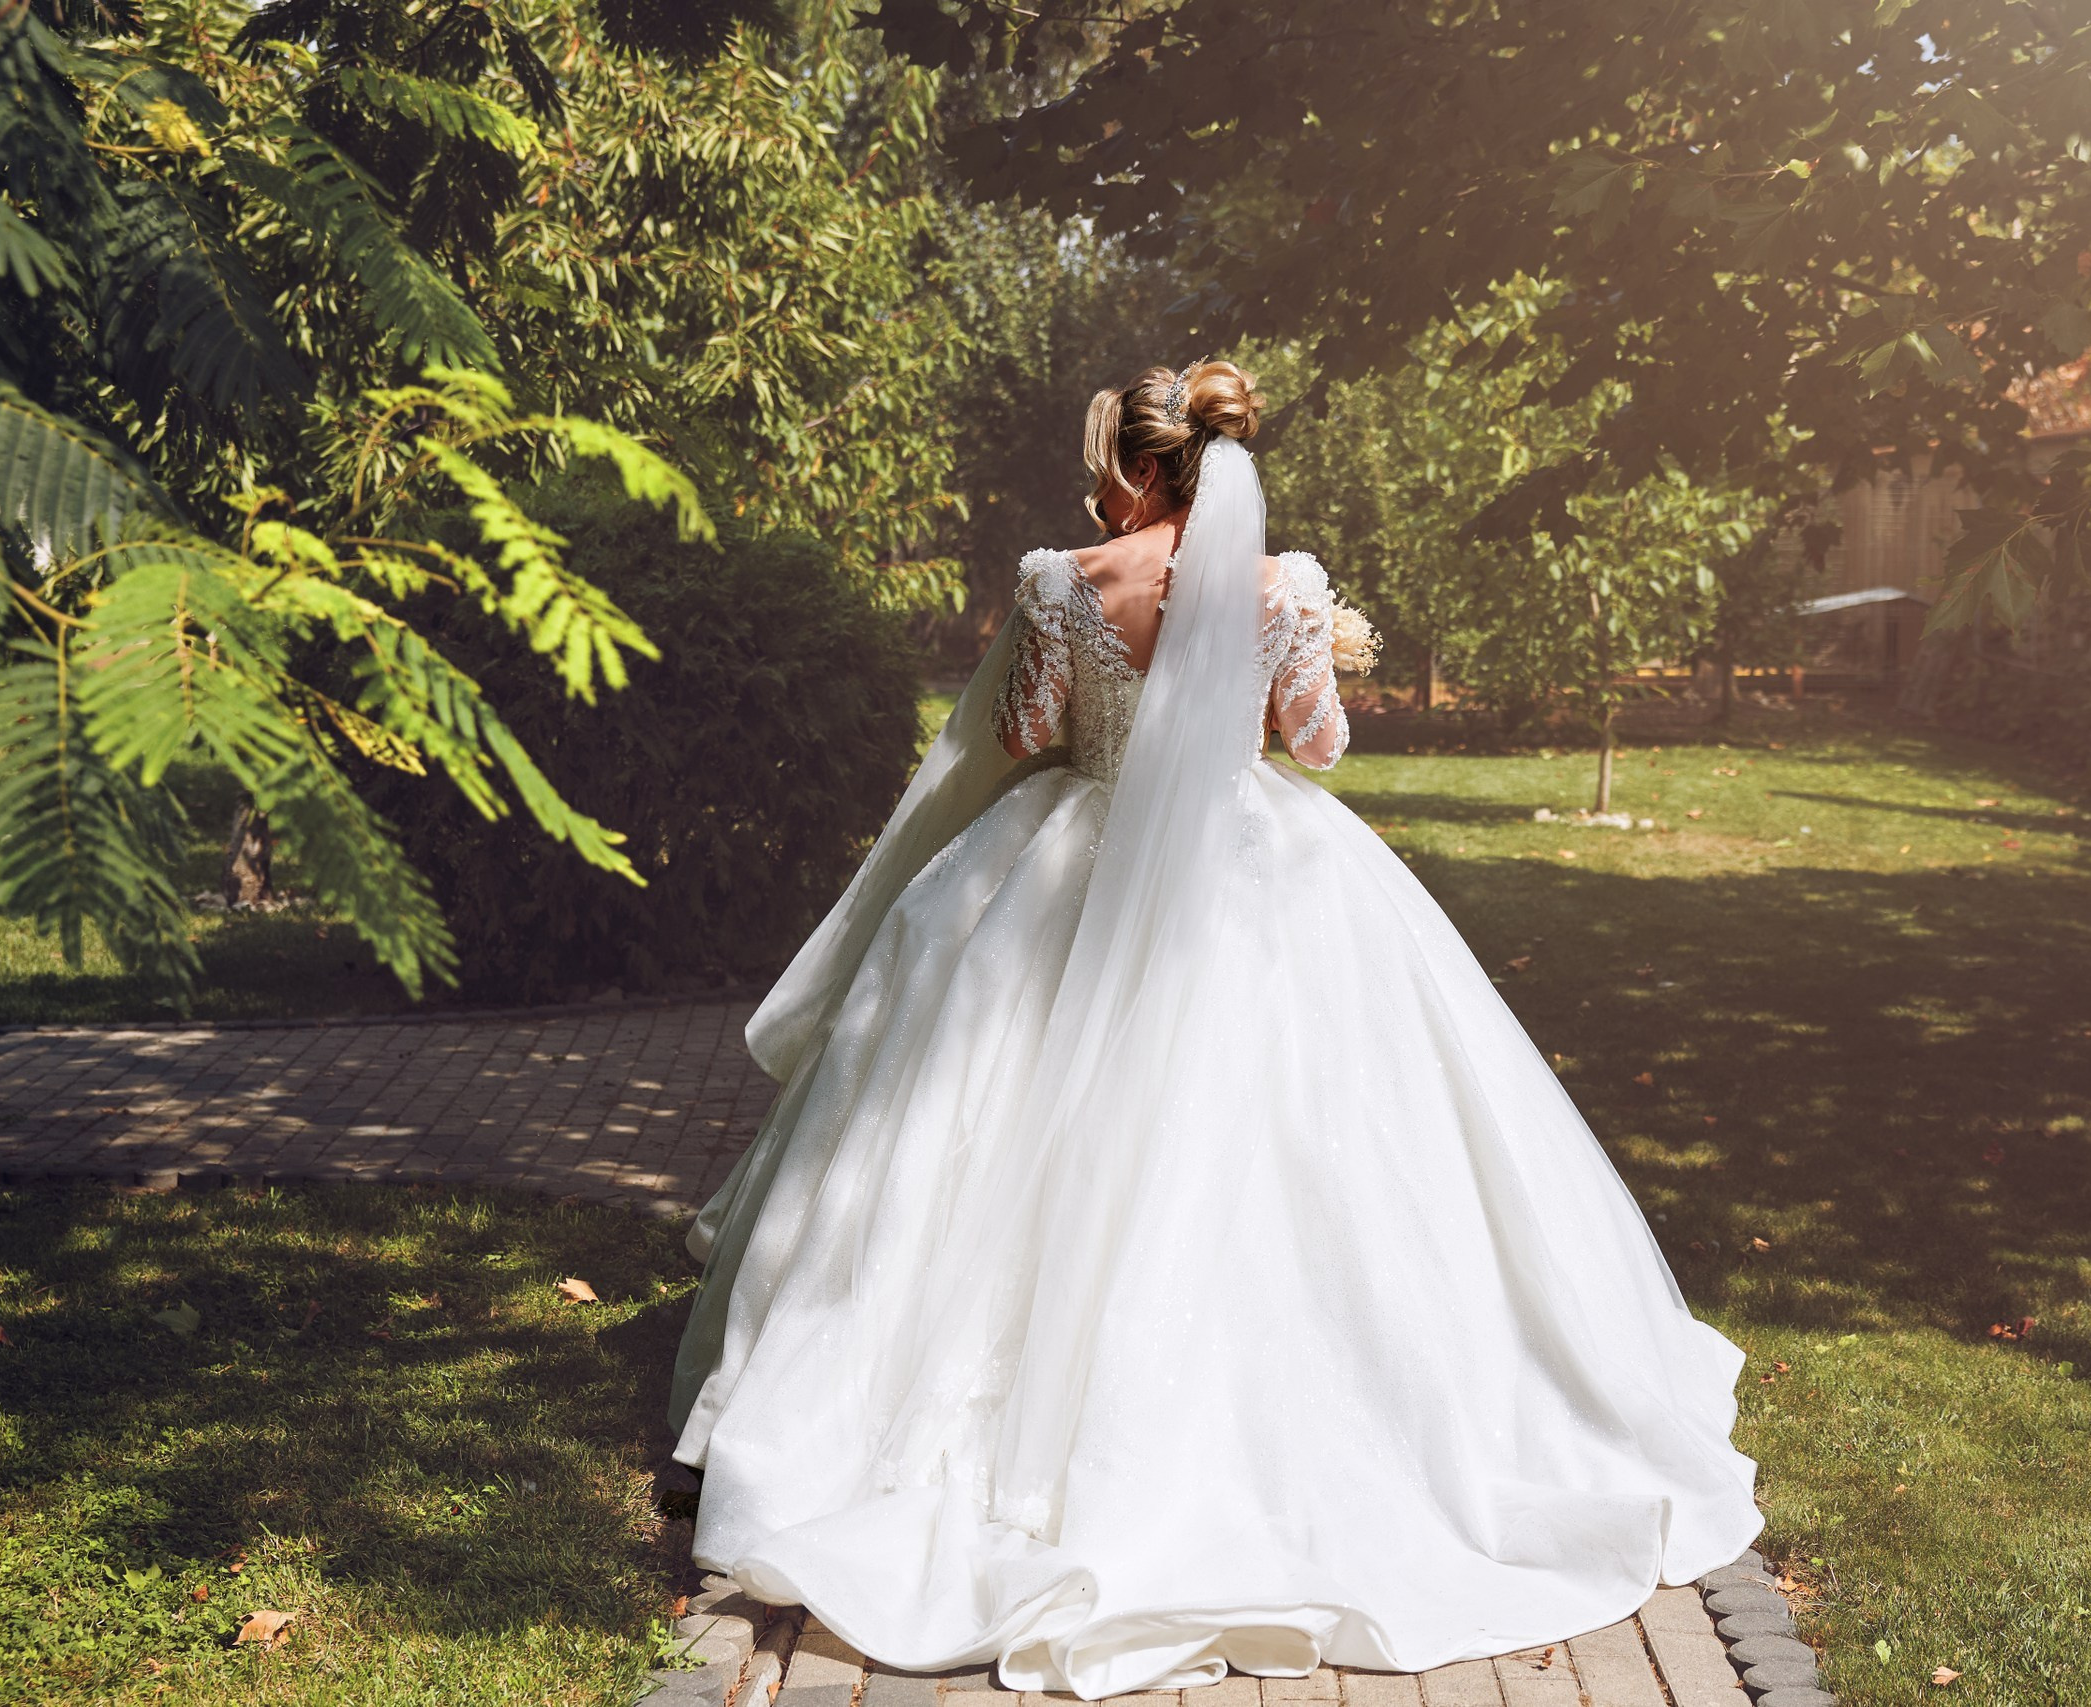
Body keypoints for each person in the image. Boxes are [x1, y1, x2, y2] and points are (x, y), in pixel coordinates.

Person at [667, 362, 1761, 1699]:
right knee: (1306, 1144)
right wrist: (1314, 660)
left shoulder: (1065, 581)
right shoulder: (1284, 583)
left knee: (978, 1126)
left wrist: (1059, 678)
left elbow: (1025, 733)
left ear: (1130, 467)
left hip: (1064, 869)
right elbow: (1316, 746)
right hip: (1262, 876)